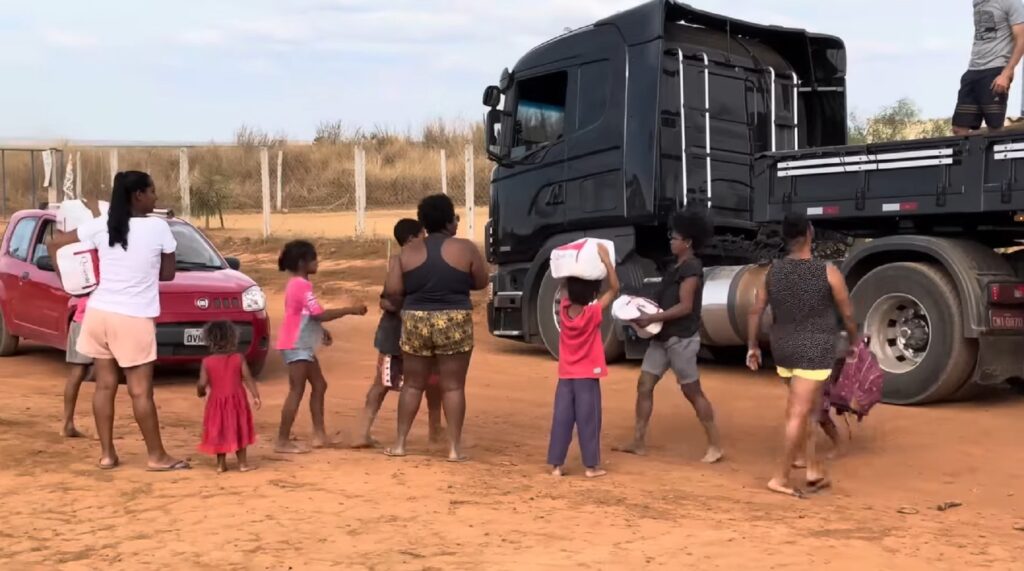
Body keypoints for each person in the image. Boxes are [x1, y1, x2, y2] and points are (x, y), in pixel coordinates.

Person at [47, 171, 188, 471]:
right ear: (138, 195)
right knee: (140, 391)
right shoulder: (158, 228)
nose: (156, 197)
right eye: (152, 192)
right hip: (134, 317)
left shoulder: (101, 225)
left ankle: (107, 455)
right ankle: (156, 456)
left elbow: (55, 244)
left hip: (98, 314)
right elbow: (167, 274)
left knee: (104, 387)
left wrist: (70, 282)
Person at [746, 213, 858, 498]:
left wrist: (752, 346)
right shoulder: (827, 271)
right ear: (810, 233)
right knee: (799, 412)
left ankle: (811, 468)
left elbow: (756, 310)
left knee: (808, 408)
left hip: (783, 349)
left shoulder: (773, 271)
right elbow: (846, 312)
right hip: (815, 349)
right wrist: (855, 340)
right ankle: (780, 477)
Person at [383, 194, 488, 462]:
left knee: (413, 385)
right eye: (455, 217)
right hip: (454, 318)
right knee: (453, 387)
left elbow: (394, 291)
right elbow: (480, 281)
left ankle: (400, 444)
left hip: (416, 319)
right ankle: (454, 449)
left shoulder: (407, 252)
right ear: (447, 220)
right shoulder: (465, 248)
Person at [615, 211, 723, 464]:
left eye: (674, 237)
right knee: (644, 384)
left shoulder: (692, 268)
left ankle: (715, 445)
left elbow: (685, 307)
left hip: (681, 338)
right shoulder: (676, 266)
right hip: (663, 337)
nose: (670, 241)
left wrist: (651, 319)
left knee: (692, 391)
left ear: (688, 242)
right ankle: (638, 442)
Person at [352, 219, 444, 449]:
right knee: (385, 383)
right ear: (412, 238)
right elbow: (388, 301)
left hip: (411, 333)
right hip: (397, 335)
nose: (425, 238)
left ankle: (435, 432)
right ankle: (362, 432)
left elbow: (386, 300)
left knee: (432, 382)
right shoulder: (400, 263)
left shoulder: (408, 262)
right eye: (422, 234)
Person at [275, 240, 367, 454]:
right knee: (297, 390)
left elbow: (306, 314)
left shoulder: (298, 284)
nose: (317, 262)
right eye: (313, 258)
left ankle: (319, 434)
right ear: (302, 263)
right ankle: (282, 440)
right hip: (296, 343)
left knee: (319, 385)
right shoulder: (300, 285)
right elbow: (318, 313)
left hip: (299, 341)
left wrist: (320, 330)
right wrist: (351, 310)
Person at [548, 244, 619, 479]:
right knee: (589, 421)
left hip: (566, 376)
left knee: (562, 420)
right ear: (592, 293)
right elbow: (615, 288)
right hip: (587, 376)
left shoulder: (564, 311)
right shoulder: (593, 313)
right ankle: (591, 466)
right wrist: (606, 261)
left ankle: (557, 465)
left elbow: (563, 286)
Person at [197, 321, 261, 473]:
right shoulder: (238, 358)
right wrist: (256, 396)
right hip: (237, 402)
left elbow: (202, 383)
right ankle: (243, 464)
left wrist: (201, 392)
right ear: (233, 338)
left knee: (219, 430)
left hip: (216, 404)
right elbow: (248, 378)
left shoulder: (207, 362)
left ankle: (220, 465)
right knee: (240, 429)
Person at [952, 0, 1024, 135]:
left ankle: (1001, 155)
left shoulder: (1010, 2)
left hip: (996, 69)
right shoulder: (977, 2)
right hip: (973, 69)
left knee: (994, 128)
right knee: (959, 128)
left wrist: (1007, 73)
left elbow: (1022, 38)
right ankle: (976, 154)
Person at [61, 295, 94, 438]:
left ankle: (67, 423)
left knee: (77, 371)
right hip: (101, 318)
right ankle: (102, 429)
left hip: (81, 319)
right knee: (106, 374)